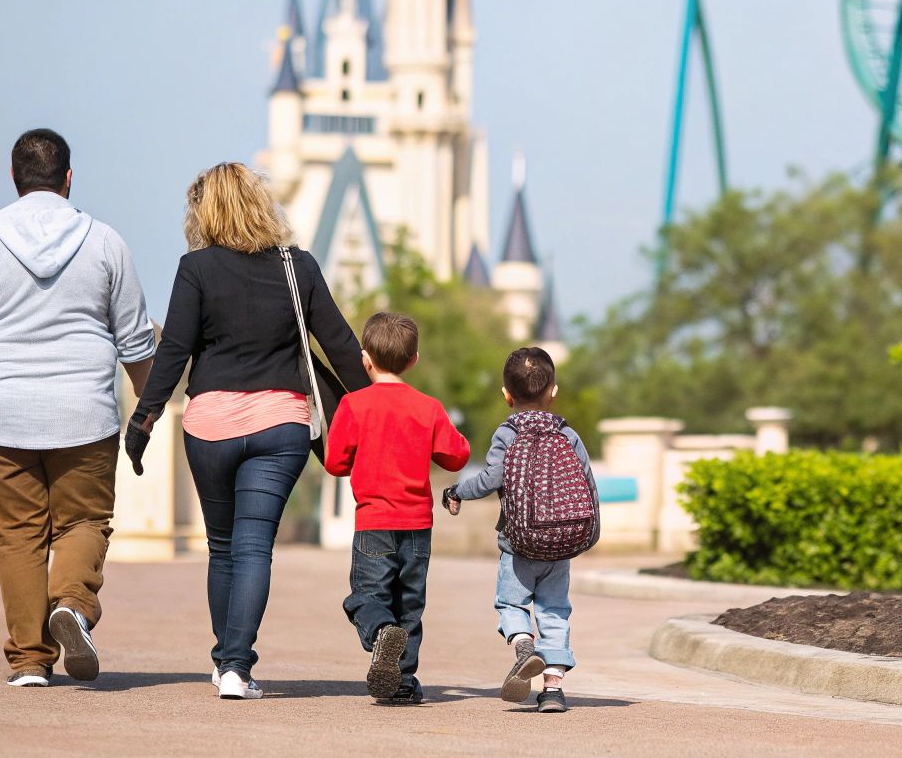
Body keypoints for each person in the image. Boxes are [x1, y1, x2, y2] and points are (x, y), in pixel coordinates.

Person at [0, 128, 156, 687]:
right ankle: (71, 604)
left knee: (18, 535)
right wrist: (150, 407)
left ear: (14, 177)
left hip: (1, 416)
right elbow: (136, 342)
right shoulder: (106, 243)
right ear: (69, 179)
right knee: (84, 521)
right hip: (85, 414)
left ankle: (29, 660)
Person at [129, 161, 367, 700]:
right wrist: (376, 405)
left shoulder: (196, 269)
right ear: (261, 205)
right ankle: (236, 666)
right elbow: (342, 345)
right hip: (280, 424)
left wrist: (144, 418)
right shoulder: (296, 267)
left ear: (204, 212)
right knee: (255, 547)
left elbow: (174, 351)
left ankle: (225, 663)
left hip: (210, 424)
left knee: (222, 547)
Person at [322, 312, 471, 705]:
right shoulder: (429, 408)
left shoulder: (354, 406)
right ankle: (402, 682)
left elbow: (334, 463)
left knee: (366, 597)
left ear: (365, 359)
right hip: (418, 526)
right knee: (409, 605)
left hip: (374, 522)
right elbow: (457, 457)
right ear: (414, 359)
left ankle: (380, 633)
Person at [444, 347, 594, 714]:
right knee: (555, 611)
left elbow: (490, 478)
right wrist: (588, 534)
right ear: (553, 391)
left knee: (512, 603)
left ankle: (524, 645)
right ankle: (554, 689)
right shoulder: (568, 434)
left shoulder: (507, 433)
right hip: (559, 545)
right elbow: (588, 484)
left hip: (518, 544)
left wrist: (457, 491)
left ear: (506, 395)